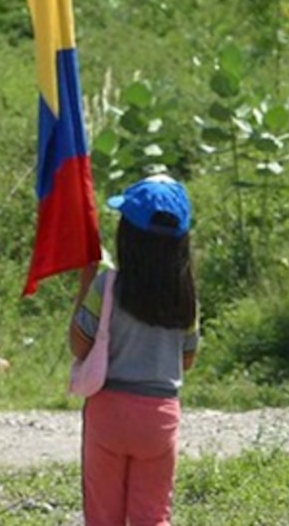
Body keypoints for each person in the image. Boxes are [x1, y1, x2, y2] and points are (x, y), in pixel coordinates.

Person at [69, 175, 199, 526]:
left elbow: (79, 345)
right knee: (152, 516)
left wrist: (85, 285)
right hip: (159, 417)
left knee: (102, 517)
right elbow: (187, 360)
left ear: (127, 237)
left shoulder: (106, 285)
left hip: (108, 412)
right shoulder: (186, 298)